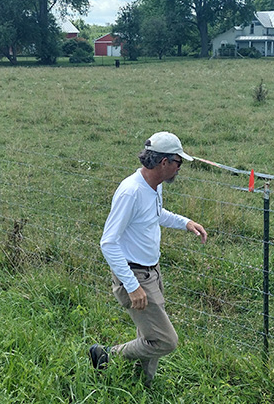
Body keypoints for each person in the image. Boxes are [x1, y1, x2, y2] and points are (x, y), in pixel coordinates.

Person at [91, 131, 207, 386]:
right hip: (134, 274)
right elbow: (108, 243)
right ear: (163, 162)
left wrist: (185, 222)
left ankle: (144, 384)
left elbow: (155, 214)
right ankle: (107, 355)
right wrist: (132, 286)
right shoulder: (131, 192)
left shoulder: (154, 186)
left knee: (150, 333)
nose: (180, 168)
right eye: (179, 162)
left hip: (151, 271)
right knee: (165, 340)